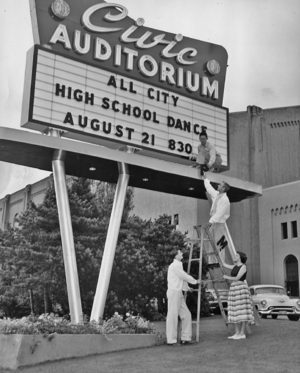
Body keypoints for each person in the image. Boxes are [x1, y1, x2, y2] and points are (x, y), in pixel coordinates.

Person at [166, 249, 200, 346]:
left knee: (186, 315)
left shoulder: (178, 265)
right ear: (176, 255)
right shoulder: (175, 265)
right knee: (173, 316)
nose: (182, 254)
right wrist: (195, 281)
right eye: (180, 252)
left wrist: (187, 288)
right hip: (174, 292)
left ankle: (185, 338)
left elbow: (181, 278)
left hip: (178, 292)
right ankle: (171, 341)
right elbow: (184, 276)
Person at [222, 251, 254, 339]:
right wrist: (220, 253)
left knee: (242, 311)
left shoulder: (243, 266)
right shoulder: (234, 266)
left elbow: (237, 278)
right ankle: (237, 333)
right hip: (234, 289)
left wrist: (227, 277)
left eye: (236, 255)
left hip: (241, 289)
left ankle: (242, 333)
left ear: (240, 258)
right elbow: (224, 264)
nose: (234, 256)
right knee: (234, 310)